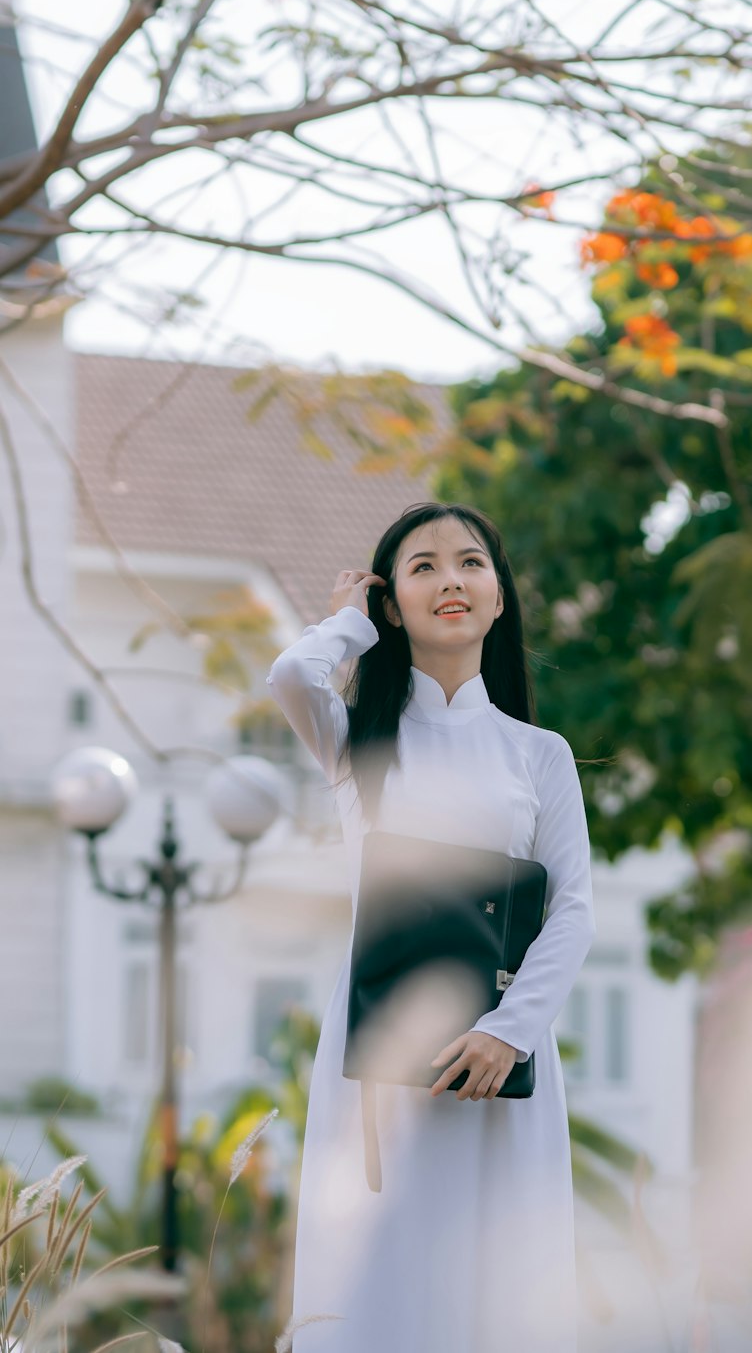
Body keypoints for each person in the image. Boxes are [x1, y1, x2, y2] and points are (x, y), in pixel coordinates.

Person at [267, 501, 597, 1352]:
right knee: (376, 1288)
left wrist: (507, 1033)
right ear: (392, 604)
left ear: (497, 597)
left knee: (498, 1294)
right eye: (422, 567)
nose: (450, 579)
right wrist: (346, 619)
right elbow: (290, 678)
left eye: (470, 563)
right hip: (378, 1062)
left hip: (503, 1061)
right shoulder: (359, 744)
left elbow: (573, 909)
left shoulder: (539, 753)